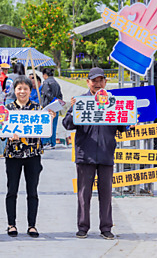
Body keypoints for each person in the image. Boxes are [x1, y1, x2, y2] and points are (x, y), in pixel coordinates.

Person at [62, 67, 126, 240]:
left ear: (105, 82)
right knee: (84, 193)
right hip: (85, 154)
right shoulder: (80, 101)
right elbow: (67, 124)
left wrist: (130, 121)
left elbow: (122, 127)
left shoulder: (113, 102)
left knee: (106, 194)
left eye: (100, 80)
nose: (97, 84)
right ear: (88, 82)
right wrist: (74, 109)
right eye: (94, 81)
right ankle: (83, 226)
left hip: (106, 153)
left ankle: (106, 227)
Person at [2, 76, 55, 238]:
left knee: (32, 191)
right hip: (13, 155)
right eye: (19, 88)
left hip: (33, 154)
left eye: (25, 88)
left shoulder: (39, 109)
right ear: (14, 90)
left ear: (30, 91)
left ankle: (32, 225)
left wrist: (50, 119)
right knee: (12, 190)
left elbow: (45, 131)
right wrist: (8, 134)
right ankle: (11, 224)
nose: (22, 92)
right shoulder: (7, 109)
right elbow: (1, 133)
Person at [41, 67, 63, 148]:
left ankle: (46, 142)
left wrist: (52, 100)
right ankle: (53, 142)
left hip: (48, 106)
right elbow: (60, 95)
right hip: (56, 107)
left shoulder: (46, 82)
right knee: (54, 125)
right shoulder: (56, 83)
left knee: (46, 124)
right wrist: (57, 102)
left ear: (45, 75)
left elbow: (47, 93)